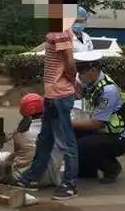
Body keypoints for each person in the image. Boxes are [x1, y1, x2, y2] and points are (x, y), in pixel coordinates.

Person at [14, 24, 81, 200]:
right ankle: (32, 176)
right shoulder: (56, 29)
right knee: (45, 139)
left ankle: (69, 184)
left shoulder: (60, 31)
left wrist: (73, 82)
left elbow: (69, 61)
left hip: (61, 94)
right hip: (52, 95)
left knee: (66, 142)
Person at [69, 56, 125, 182]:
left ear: (92, 71)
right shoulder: (93, 84)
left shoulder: (108, 90)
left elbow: (97, 123)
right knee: (71, 136)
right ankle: (88, 170)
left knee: (81, 145)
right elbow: (83, 100)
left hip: (116, 136)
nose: (79, 76)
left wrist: (68, 123)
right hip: (102, 132)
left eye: (81, 72)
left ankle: (111, 167)